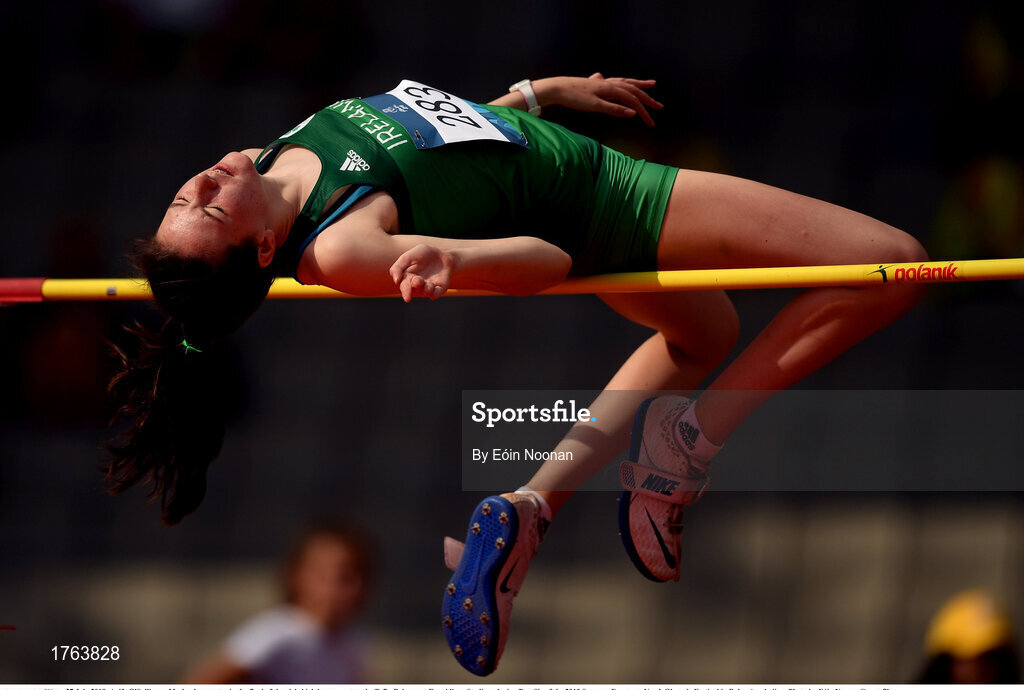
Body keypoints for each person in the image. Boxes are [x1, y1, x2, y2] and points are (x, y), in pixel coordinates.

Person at [104, 73, 928, 675]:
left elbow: (434, 141)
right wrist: (453, 256)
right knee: (892, 263)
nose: (205, 180)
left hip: (558, 158)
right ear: (255, 251)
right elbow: (551, 263)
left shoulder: (270, 156)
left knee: (704, 334)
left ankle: (533, 506)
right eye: (209, 206)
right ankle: (687, 445)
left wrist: (535, 96)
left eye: (184, 199)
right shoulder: (342, 247)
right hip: (607, 200)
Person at [183, 522, 374, 684]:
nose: (356, 588)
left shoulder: (354, 641)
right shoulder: (275, 634)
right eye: (343, 577)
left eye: (363, 576)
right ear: (300, 576)